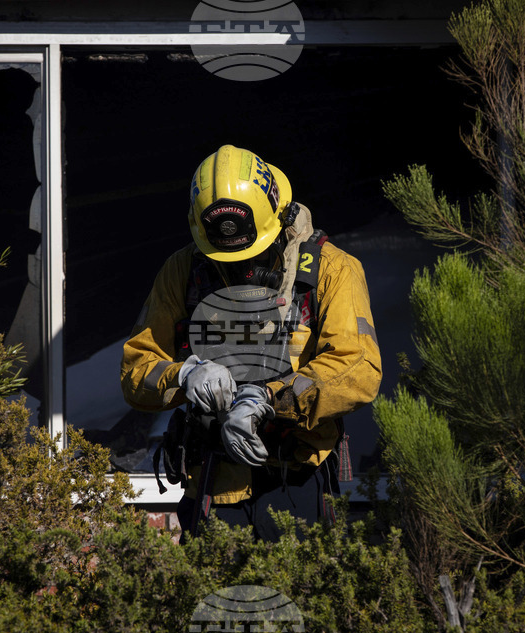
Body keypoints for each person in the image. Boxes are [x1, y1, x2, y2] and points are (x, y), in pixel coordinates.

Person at [120, 144, 381, 541]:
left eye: (251, 253)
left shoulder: (332, 271)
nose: (239, 266)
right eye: (223, 258)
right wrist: (183, 374)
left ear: (278, 219)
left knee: (300, 597)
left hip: (296, 483)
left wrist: (272, 400)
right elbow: (135, 369)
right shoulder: (181, 273)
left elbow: (359, 368)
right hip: (210, 481)